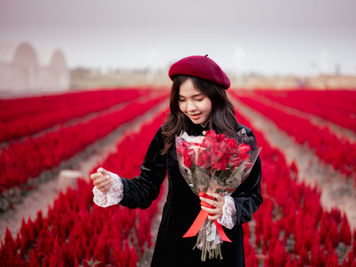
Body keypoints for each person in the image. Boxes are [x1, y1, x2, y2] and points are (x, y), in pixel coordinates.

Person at [90, 55, 262, 267]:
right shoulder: (170, 134)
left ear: (216, 96)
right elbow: (147, 186)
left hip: (223, 245)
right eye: (182, 99)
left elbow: (253, 196)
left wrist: (229, 207)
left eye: (198, 98)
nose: (190, 108)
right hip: (176, 240)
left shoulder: (241, 138)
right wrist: (116, 184)